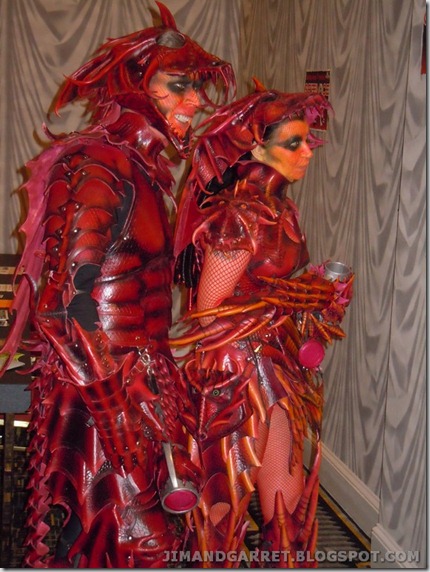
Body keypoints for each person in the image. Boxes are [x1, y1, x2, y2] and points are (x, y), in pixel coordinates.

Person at [0, 2, 235, 568]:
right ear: (133, 86)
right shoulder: (94, 165)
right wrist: (113, 409)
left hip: (145, 385)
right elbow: (63, 307)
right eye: (178, 86)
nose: (196, 102)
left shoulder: (146, 171)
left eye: (198, 88)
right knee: (130, 543)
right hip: (97, 392)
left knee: (154, 536)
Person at [173, 84, 354, 568]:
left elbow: (272, 288)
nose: (306, 152)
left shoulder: (283, 210)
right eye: (293, 143)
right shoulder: (240, 216)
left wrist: (318, 300)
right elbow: (209, 309)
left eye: (307, 141)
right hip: (235, 374)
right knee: (224, 502)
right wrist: (287, 301)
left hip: (276, 366)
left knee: (287, 501)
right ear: (256, 148)